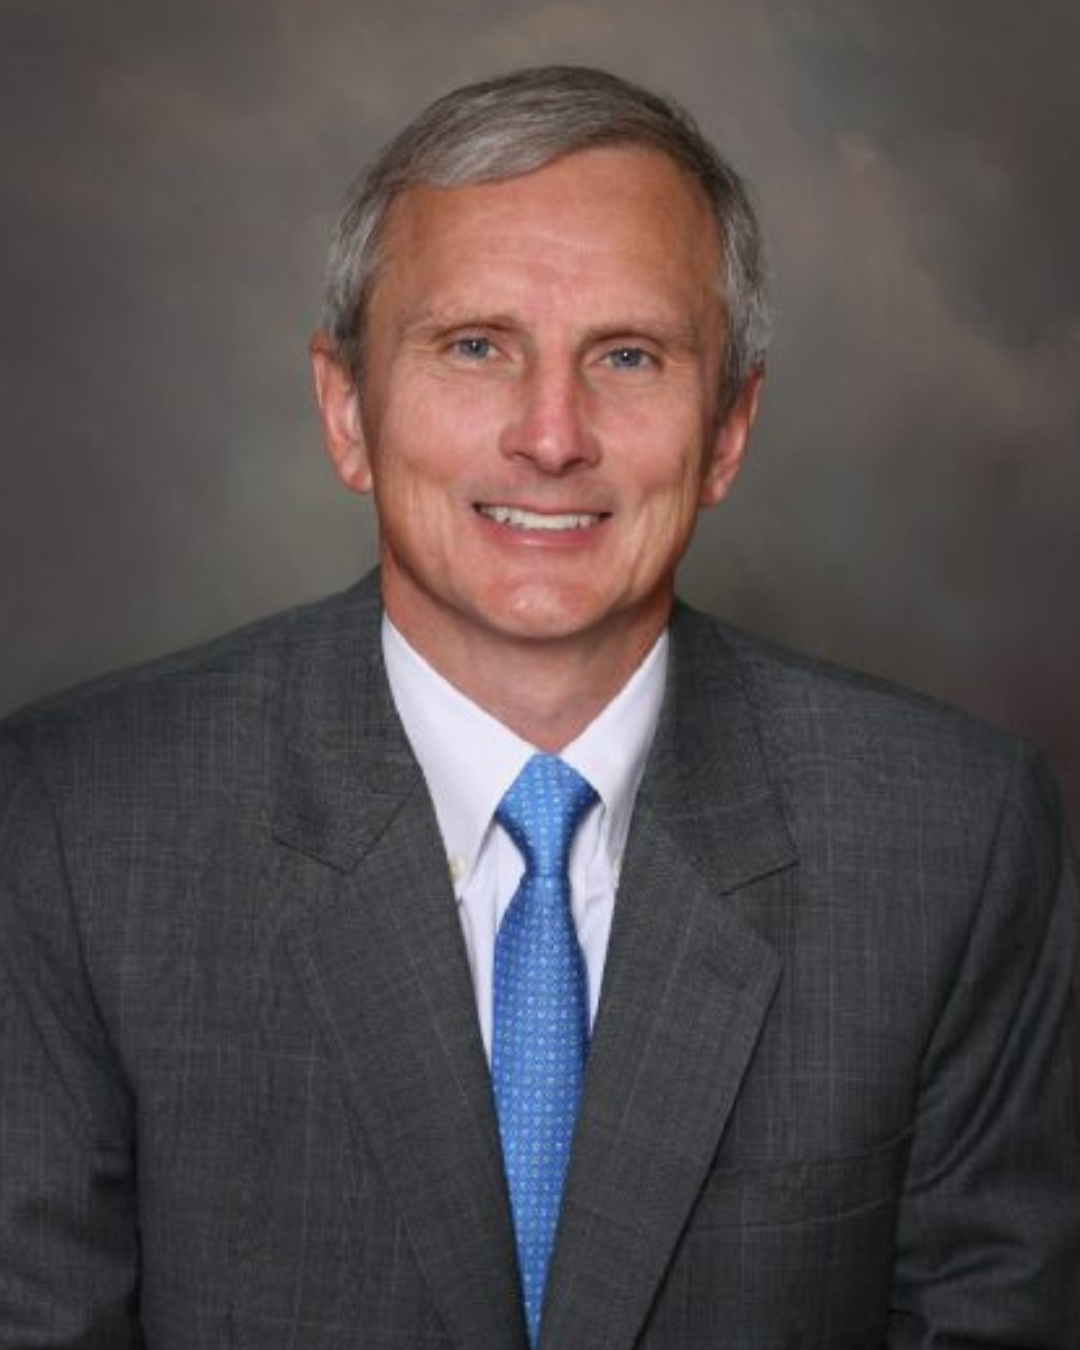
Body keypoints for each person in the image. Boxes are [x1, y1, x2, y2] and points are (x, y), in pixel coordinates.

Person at [0, 64, 1077, 1350]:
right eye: (476, 347)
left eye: (628, 355)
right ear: (346, 410)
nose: (552, 436)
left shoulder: (952, 843)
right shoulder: (74, 831)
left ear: (729, 430)